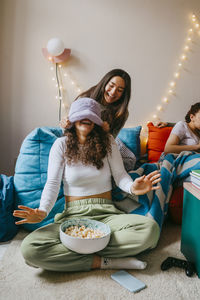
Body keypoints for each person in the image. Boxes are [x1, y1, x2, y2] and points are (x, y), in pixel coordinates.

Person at [13, 97, 161, 272]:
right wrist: (43, 211)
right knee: (30, 249)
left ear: (97, 122)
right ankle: (105, 262)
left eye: (92, 117)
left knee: (150, 230)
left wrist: (132, 187)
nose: (87, 120)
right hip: (73, 216)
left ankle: (76, 253)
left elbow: (120, 176)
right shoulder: (61, 145)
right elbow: (52, 183)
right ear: (73, 120)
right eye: (82, 116)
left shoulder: (108, 143)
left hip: (107, 214)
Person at [61, 68, 131, 137]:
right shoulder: (84, 100)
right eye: (111, 86)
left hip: (99, 145)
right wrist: (66, 124)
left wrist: (105, 133)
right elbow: (68, 131)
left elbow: (111, 141)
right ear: (105, 83)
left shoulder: (121, 113)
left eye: (119, 90)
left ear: (124, 94)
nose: (113, 92)